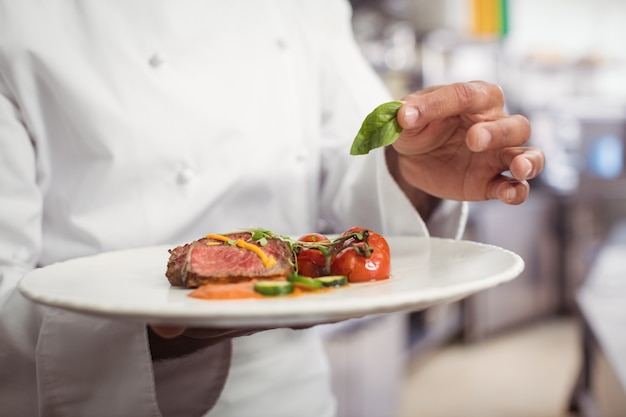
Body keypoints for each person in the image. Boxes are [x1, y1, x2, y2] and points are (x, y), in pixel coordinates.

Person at [0, 1, 544, 416]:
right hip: (96, 391)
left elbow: (355, 162)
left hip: (289, 393)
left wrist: (414, 172)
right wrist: (155, 329)